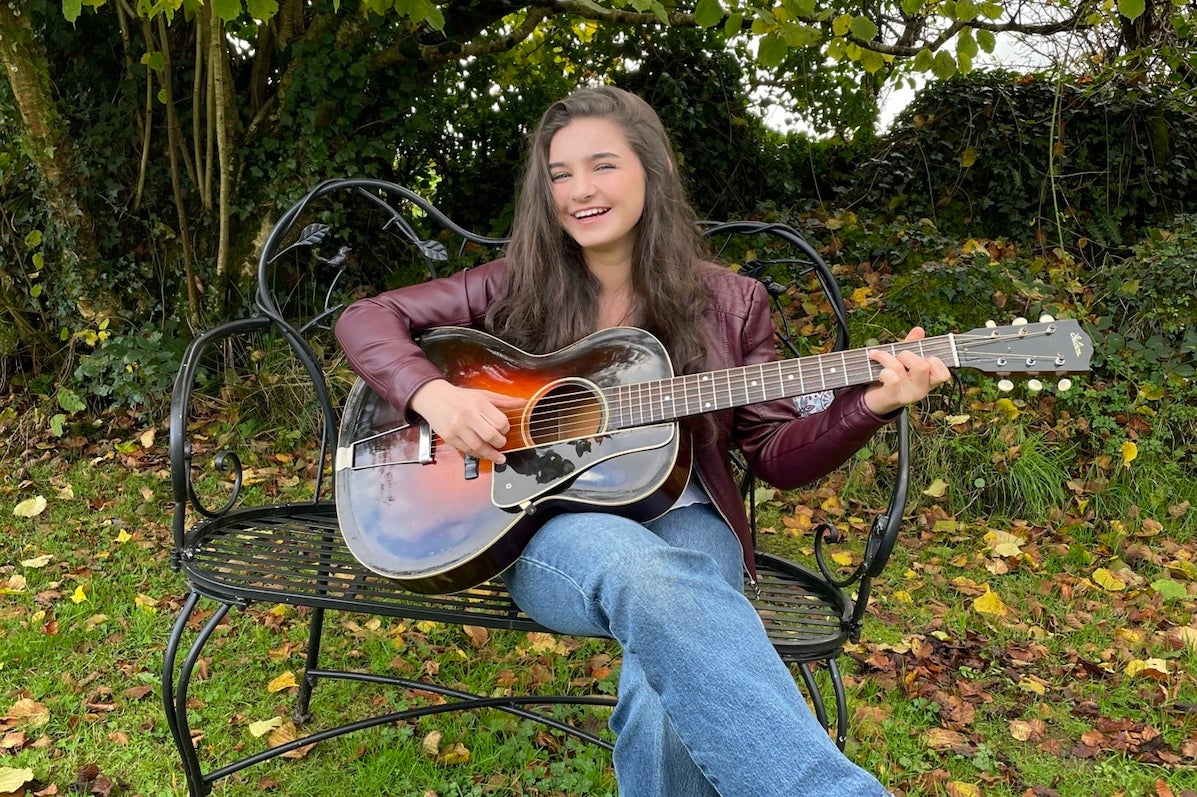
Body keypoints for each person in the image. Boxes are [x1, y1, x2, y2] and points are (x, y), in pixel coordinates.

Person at [335, 85, 950, 797]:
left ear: (653, 171)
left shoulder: (731, 302)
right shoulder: (515, 284)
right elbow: (366, 317)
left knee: (674, 654)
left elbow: (775, 457)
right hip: (543, 525)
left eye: (603, 166)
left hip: (689, 519)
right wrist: (433, 394)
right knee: (651, 578)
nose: (579, 190)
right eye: (560, 174)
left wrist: (871, 403)